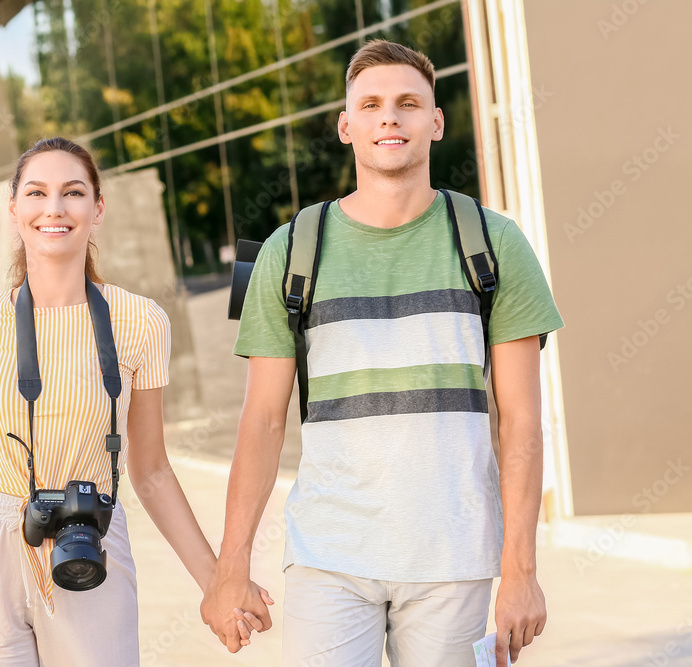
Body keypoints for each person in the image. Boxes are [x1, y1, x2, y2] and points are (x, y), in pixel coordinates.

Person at [200, 40, 564, 666]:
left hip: (453, 559)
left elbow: (523, 421)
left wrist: (520, 569)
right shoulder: (291, 251)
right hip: (328, 556)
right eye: (369, 105)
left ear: (436, 121)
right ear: (346, 126)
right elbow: (261, 420)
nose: (389, 118)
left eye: (407, 103)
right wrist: (230, 567)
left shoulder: (495, 244)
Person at [0, 137, 262, 666]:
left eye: (73, 192)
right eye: (36, 193)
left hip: (91, 538)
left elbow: (150, 471)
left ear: (97, 208)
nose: (54, 208)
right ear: (13, 210)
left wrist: (215, 582)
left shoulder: (141, 322)